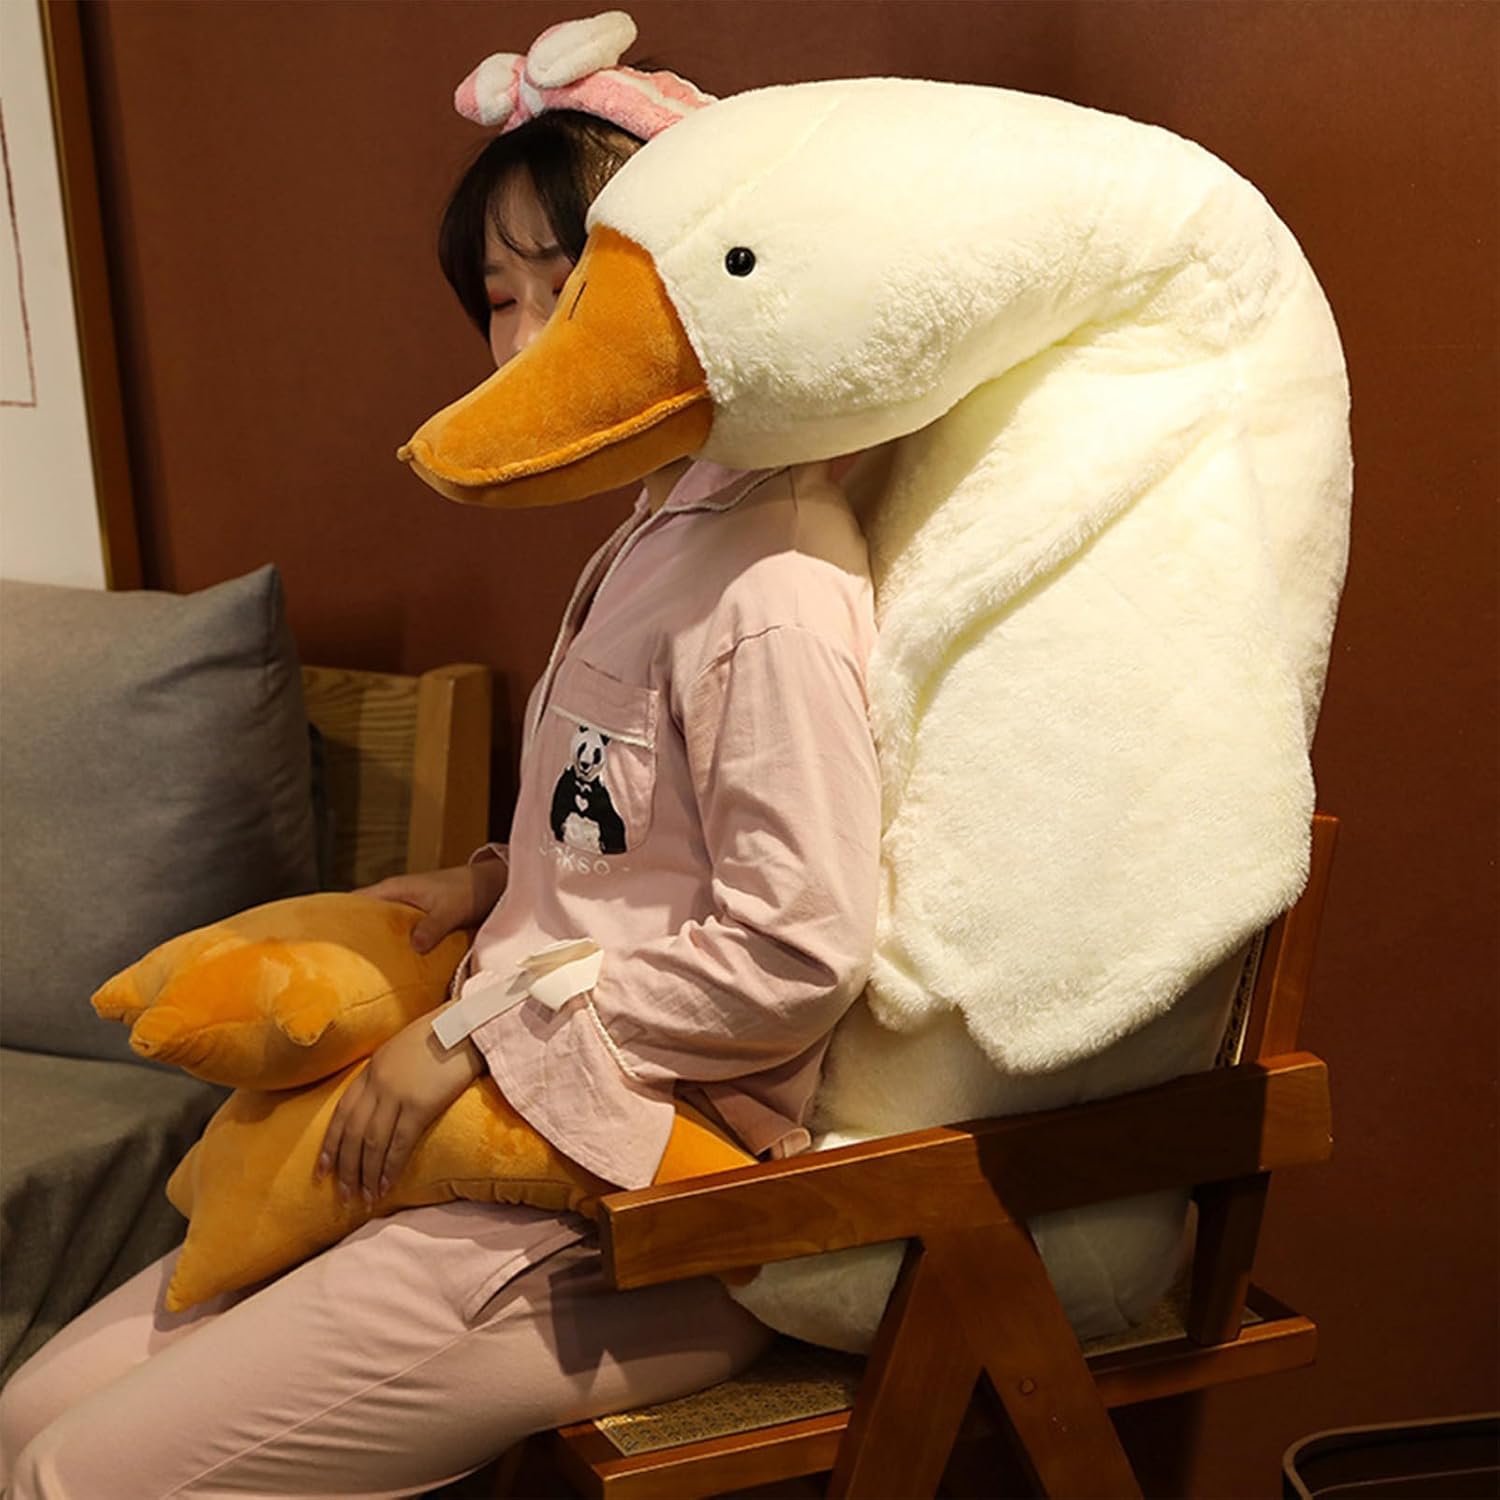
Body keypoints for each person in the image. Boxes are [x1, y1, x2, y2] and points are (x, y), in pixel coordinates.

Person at [0, 15, 880, 1498]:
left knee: (79, 1477)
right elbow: (638, 838)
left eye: (567, 284)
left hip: (629, 1201)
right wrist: (487, 883)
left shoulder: (770, 584)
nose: (525, 344)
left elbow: (797, 946)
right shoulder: (662, 529)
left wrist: (476, 1032)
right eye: (499, 298)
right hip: (490, 1143)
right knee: (28, 1412)